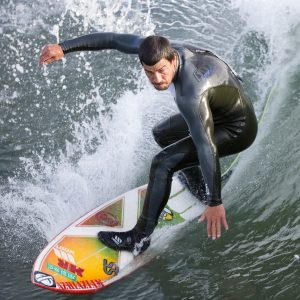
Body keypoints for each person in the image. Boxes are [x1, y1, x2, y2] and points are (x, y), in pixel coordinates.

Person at [39, 32, 258, 255]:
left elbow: (205, 145)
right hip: (219, 106)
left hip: (237, 128)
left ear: (173, 59)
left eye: (162, 71)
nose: (157, 79)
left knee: (162, 163)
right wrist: (63, 48)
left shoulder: (189, 94)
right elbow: (112, 40)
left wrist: (215, 202)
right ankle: (198, 185)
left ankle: (139, 238)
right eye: (149, 72)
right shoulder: (156, 49)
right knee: (162, 134)